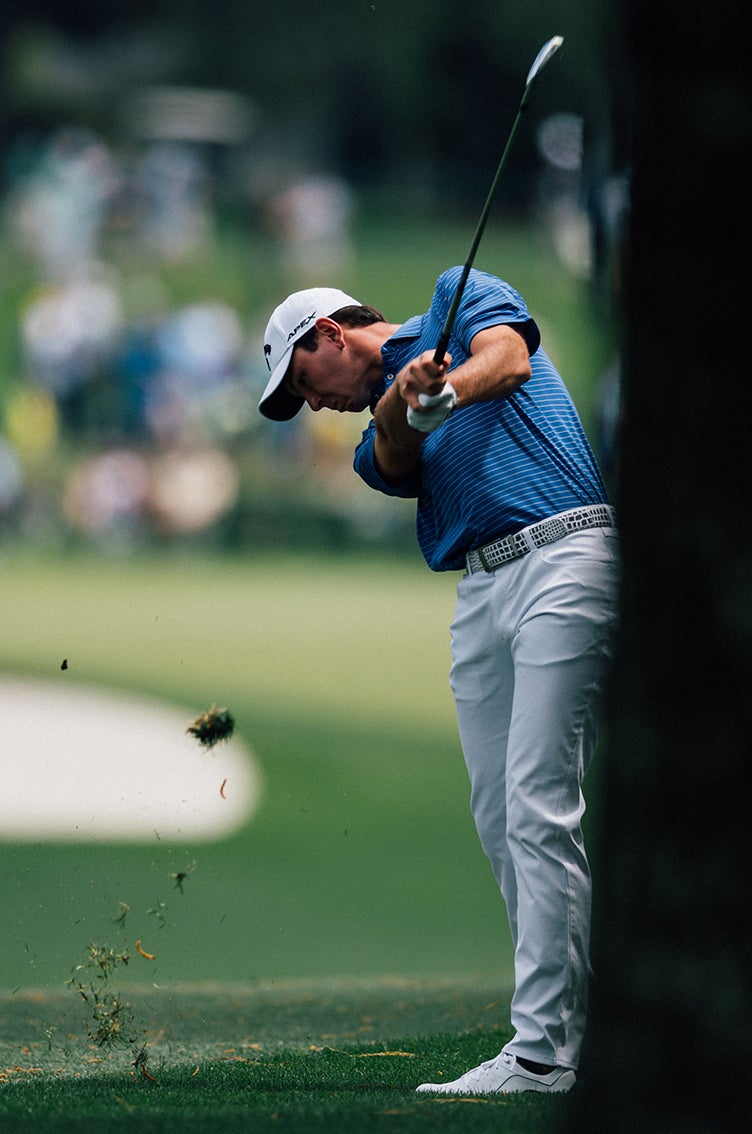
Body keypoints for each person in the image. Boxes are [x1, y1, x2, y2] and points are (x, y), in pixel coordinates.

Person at [258, 268, 619, 1095]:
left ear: (330, 334)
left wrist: (442, 386)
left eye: (303, 382)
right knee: (500, 817)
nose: (311, 404)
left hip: (566, 554)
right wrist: (407, 400)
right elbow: (392, 449)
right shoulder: (369, 437)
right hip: (482, 589)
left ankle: (542, 1053)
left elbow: (509, 360)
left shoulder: (459, 294)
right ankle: (578, 1026)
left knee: (538, 804)